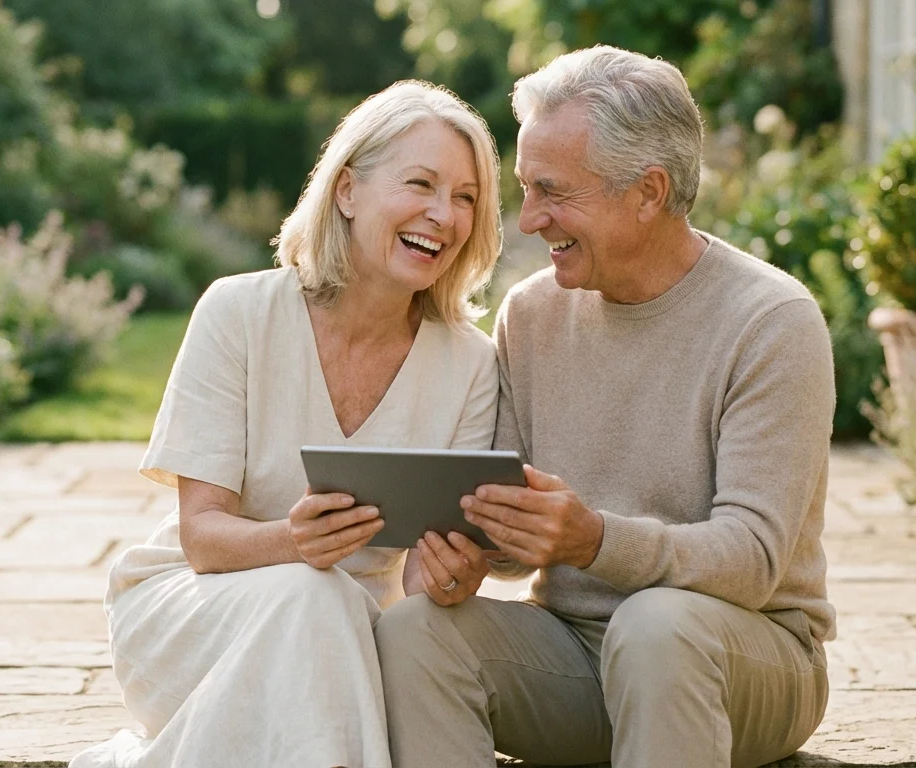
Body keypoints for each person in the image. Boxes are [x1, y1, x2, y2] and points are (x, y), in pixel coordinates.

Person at [374, 46, 837, 768]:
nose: (529, 221)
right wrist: (470, 552)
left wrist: (593, 541)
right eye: (525, 189)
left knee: (655, 629)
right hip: (575, 654)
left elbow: (752, 561)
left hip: (742, 656)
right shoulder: (531, 314)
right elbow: (504, 521)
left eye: (553, 192)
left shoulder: (770, 320)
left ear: (647, 192)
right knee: (412, 633)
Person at [70, 80, 504, 768]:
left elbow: (423, 582)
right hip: (195, 612)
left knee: (325, 603)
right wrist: (292, 541)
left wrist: (451, 578)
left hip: (348, 632)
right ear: (347, 191)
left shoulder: (471, 365)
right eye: (420, 183)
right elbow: (203, 539)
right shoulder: (237, 313)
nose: (443, 215)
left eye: (465, 198)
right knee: (312, 593)